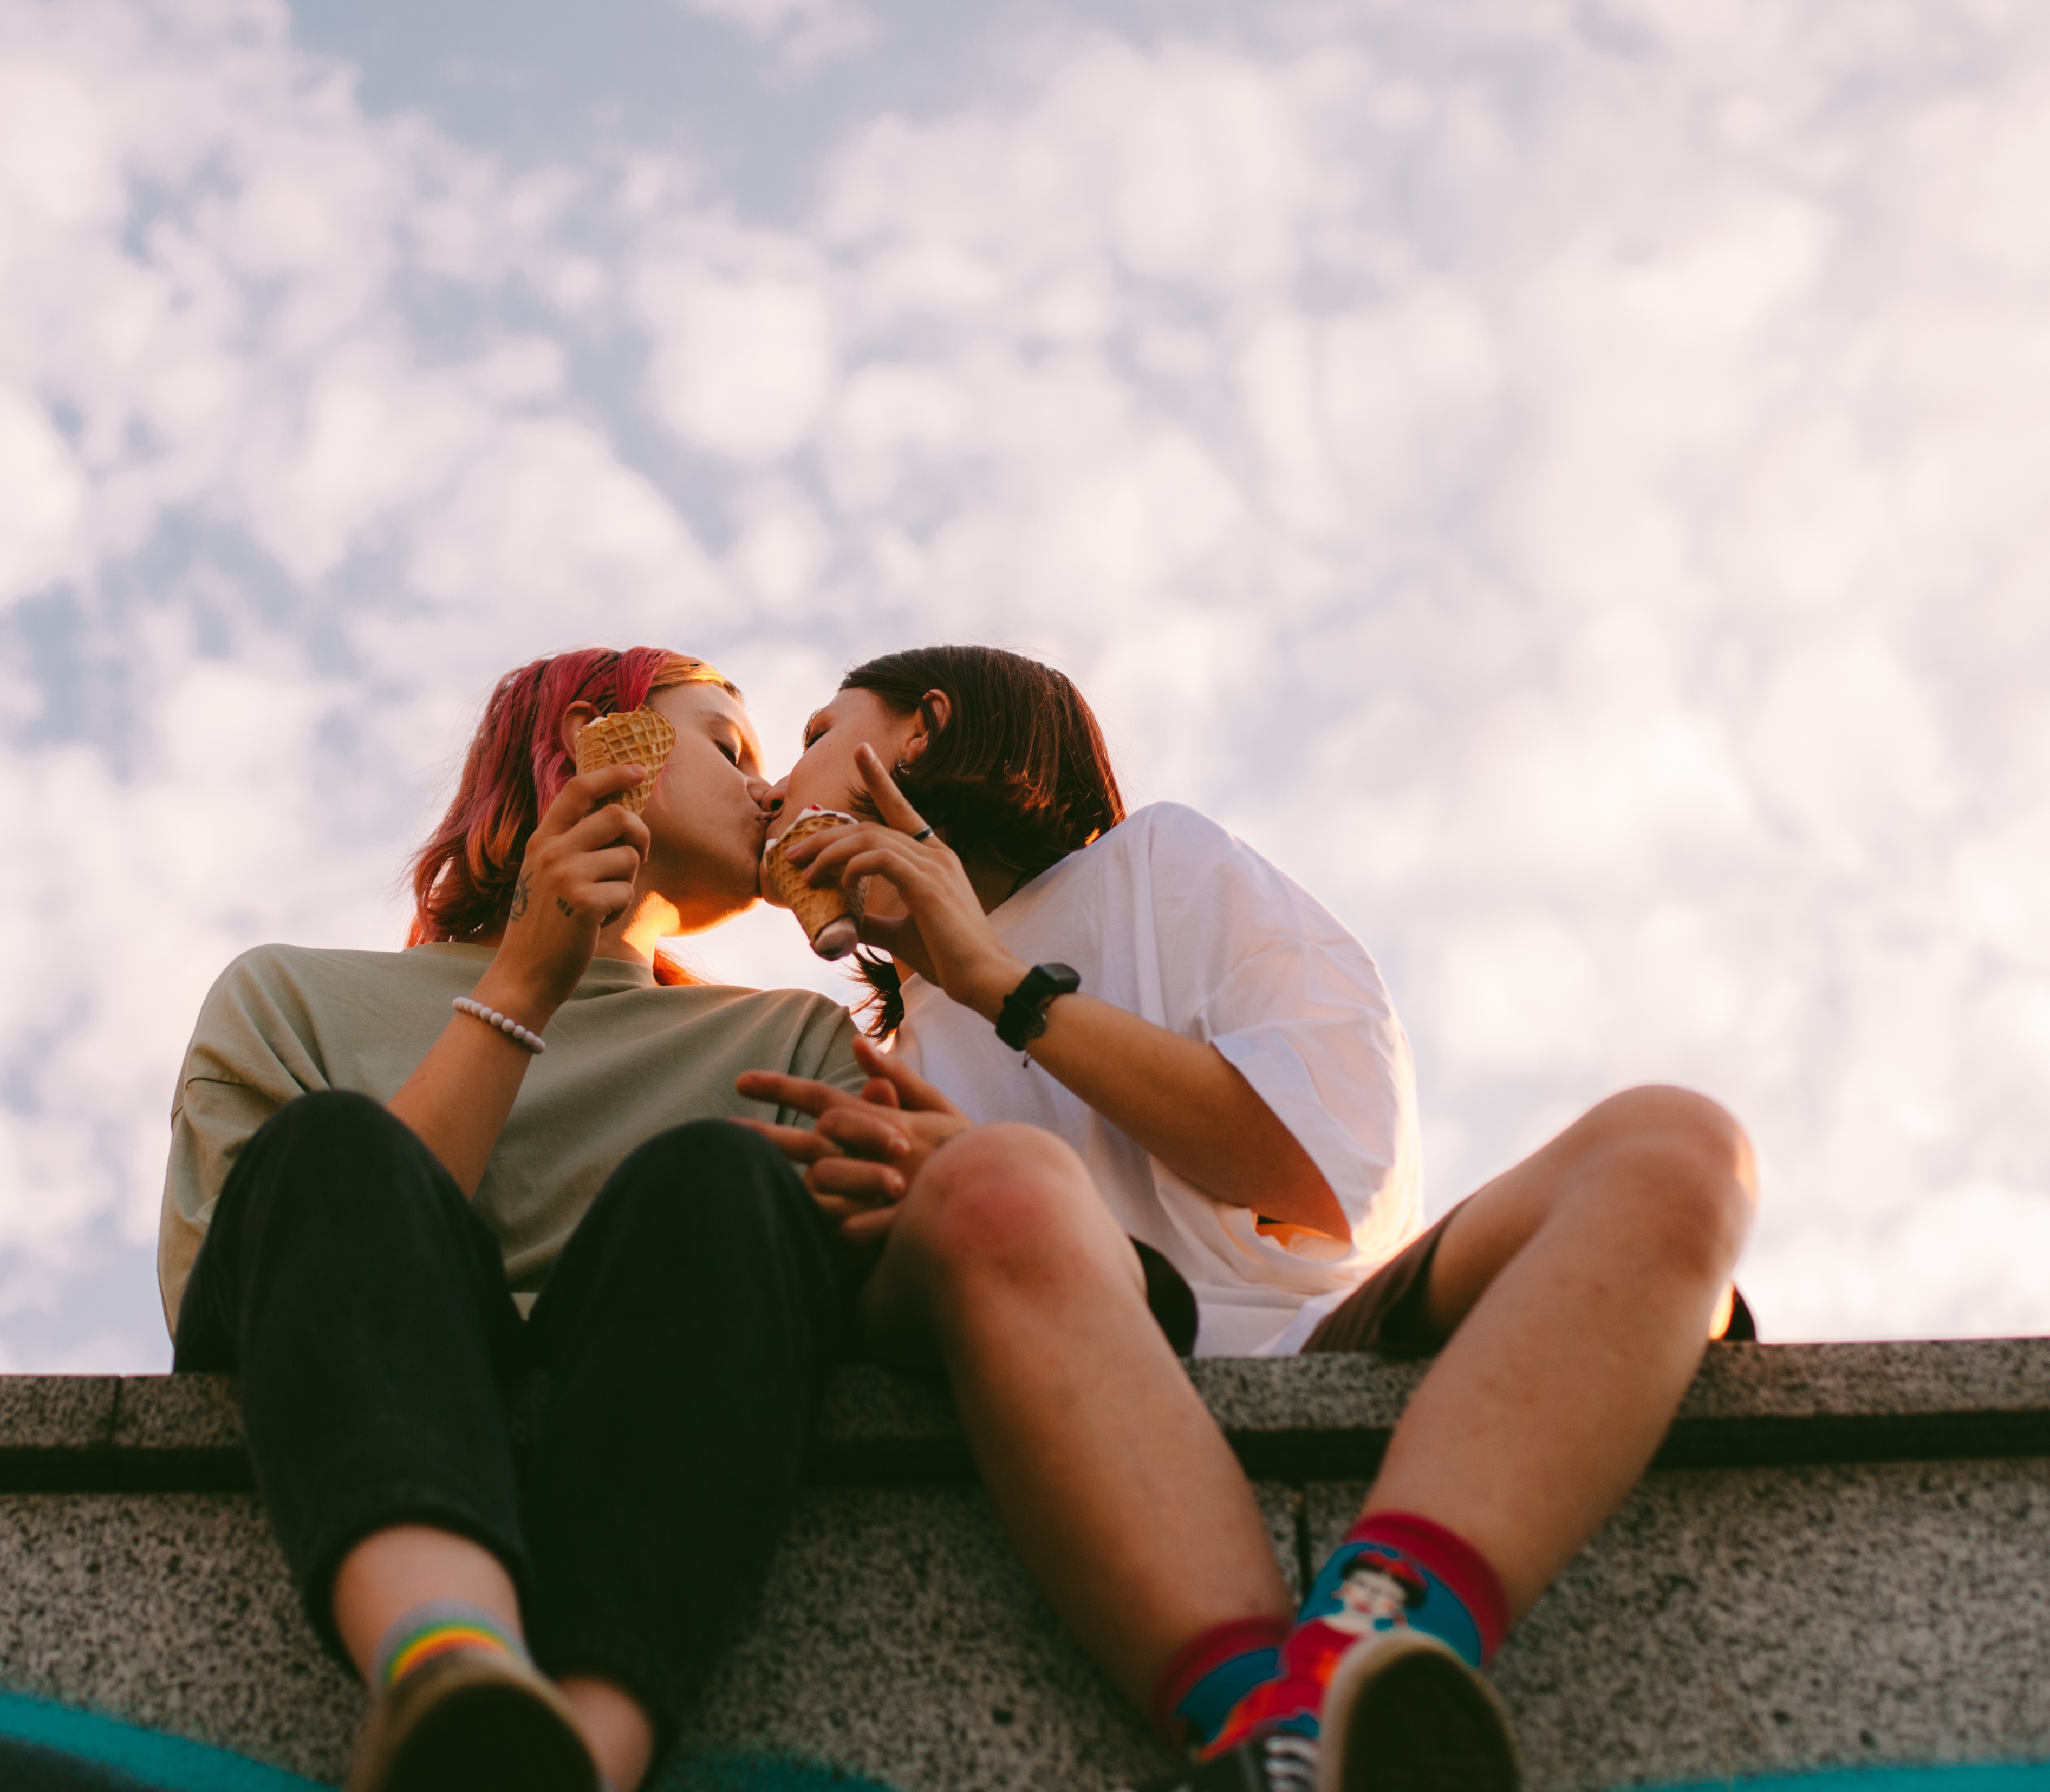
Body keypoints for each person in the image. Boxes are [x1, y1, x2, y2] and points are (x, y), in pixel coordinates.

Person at [736, 646, 1758, 1792]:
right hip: (1078, 1377)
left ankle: (1363, 1647)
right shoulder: (871, 1057)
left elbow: (1329, 1168)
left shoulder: (1156, 865)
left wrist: (998, 979)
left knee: (1675, 1145)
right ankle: (1261, 1727)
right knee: (997, 1193)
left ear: (919, 731)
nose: (774, 791)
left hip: (1317, 1328)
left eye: (816, 734)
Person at [162, 646, 867, 1792]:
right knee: (341, 1142)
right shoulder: (288, 995)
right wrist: (523, 985)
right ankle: (448, 1661)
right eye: (730, 747)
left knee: (717, 1172)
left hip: (671, 1441)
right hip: (367, 1425)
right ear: (598, 736)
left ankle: (577, 1751)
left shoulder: (791, 1041)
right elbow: (249, 1297)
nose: (773, 790)